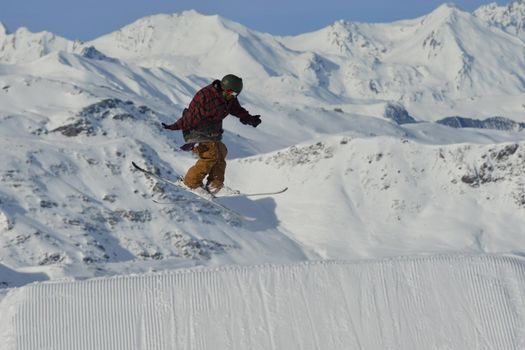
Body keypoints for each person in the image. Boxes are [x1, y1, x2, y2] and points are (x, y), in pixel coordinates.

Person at [162, 74, 261, 196]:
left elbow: (237, 110)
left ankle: (214, 185)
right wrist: (174, 126)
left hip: (212, 132)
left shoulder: (229, 98)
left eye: (236, 95)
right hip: (195, 129)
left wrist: (250, 119)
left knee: (220, 152)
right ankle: (190, 183)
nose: (233, 97)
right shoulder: (206, 96)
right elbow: (190, 117)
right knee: (210, 153)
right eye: (232, 93)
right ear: (225, 89)